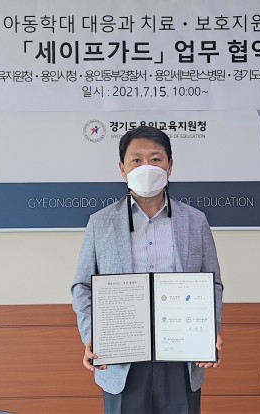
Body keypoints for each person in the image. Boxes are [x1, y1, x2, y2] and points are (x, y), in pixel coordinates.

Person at [71, 125, 224, 414]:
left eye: (155, 159)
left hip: (181, 354)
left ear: (170, 166)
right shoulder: (100, 222)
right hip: (121, 356)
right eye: (136, 160)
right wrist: (92, 335)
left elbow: (212, 283)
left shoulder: (195, 221)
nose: (146, 167)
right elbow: (82, 286)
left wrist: (209, 330)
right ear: (122, 168)